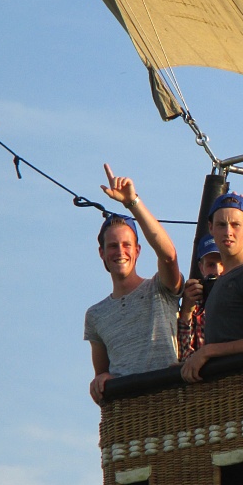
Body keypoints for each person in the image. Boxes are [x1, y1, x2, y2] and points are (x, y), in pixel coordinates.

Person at [84, 164, 183, 403]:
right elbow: (102, 376)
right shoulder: (96, 315)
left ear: (137, 251)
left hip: (169, 401)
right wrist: (100, 381)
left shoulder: (159, 288)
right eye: (113, 246)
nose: (120, 251)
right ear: (101, 253)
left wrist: (132, 202)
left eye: (126, 245)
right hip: (129, 412)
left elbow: (169, 256)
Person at [180, 192, 243, 383]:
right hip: (227, 389)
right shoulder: (222, 280)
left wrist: (208, 351)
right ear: (211, 228)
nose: (228, 232)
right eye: (221, 225)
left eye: (235, 225)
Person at [177, 234, 223, 358]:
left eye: (223, 263)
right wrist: (186, 310)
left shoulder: (242, 296)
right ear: (201, 268)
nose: (218, 271)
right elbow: (183, 357)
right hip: (204, 369)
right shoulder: (195, 305)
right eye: (211, 265)